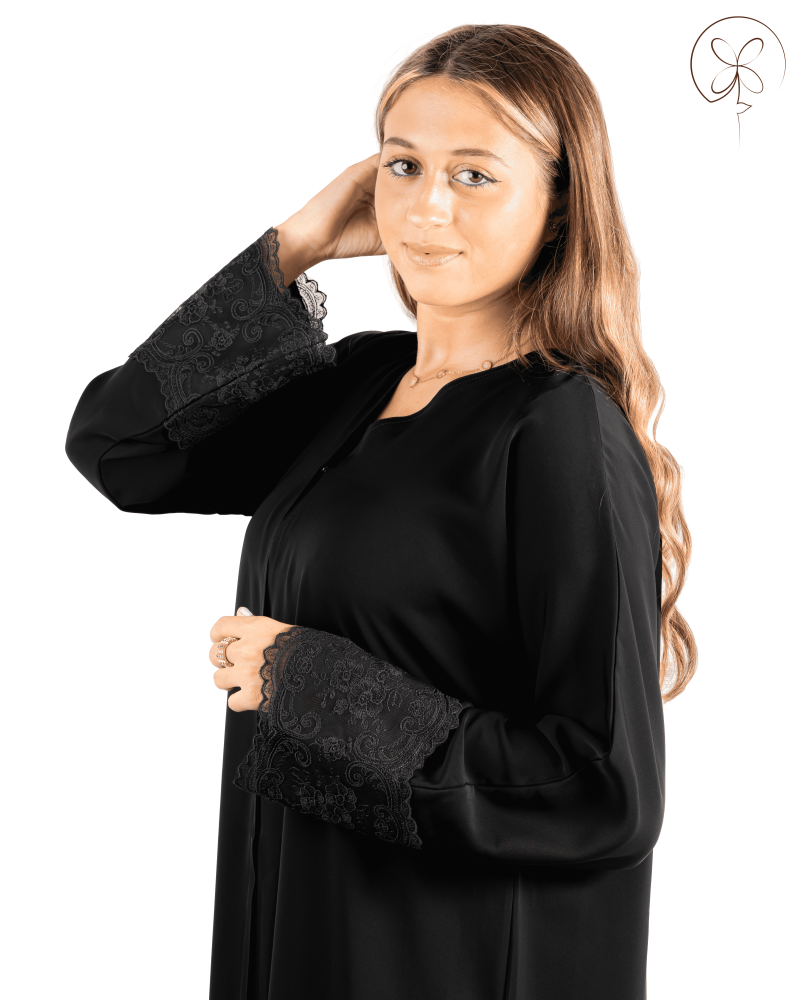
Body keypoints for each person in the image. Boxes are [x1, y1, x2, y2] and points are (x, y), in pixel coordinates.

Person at [65, 23, 696, 1000]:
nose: (427, 206)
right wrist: (293, 248)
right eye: (403, 166)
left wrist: (309, 686)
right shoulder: (360, 383)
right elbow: (120, 449)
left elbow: (597, 789)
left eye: (474, 174)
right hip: (296, 931)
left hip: (444, 960)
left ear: (559, 205)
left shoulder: (558, 428)